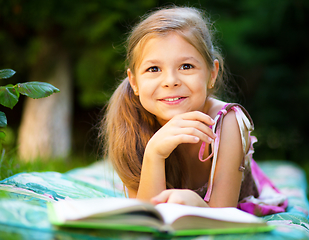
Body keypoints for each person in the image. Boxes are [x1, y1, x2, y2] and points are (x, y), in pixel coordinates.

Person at [100, 6, 287, 216]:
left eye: (186, 66)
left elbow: (223, 214)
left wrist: (196, 204)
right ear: (134, 82)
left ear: (212, 74)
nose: (170, 81)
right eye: (154, 69)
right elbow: (145, 216)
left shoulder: (226, 121)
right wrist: (154, 153)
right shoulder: (131, 123)